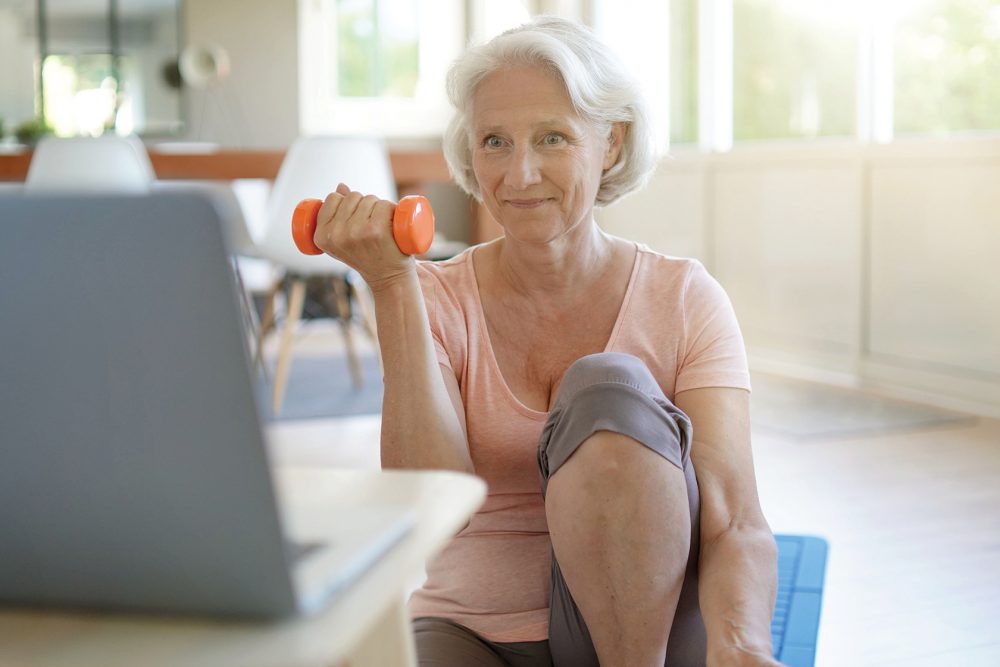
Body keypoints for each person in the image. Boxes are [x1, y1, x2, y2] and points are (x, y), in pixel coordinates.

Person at [310, 16, 779, 667]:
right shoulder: (436, 297)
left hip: (642, 634)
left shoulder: (684, 298)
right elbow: (429, 498)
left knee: (604, 387)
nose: (520, 172)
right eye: (494, 141)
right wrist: (394, 286)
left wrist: (742, 645)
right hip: (472, 626)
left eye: (552, 138)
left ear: (610, 144)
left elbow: (735, 518)